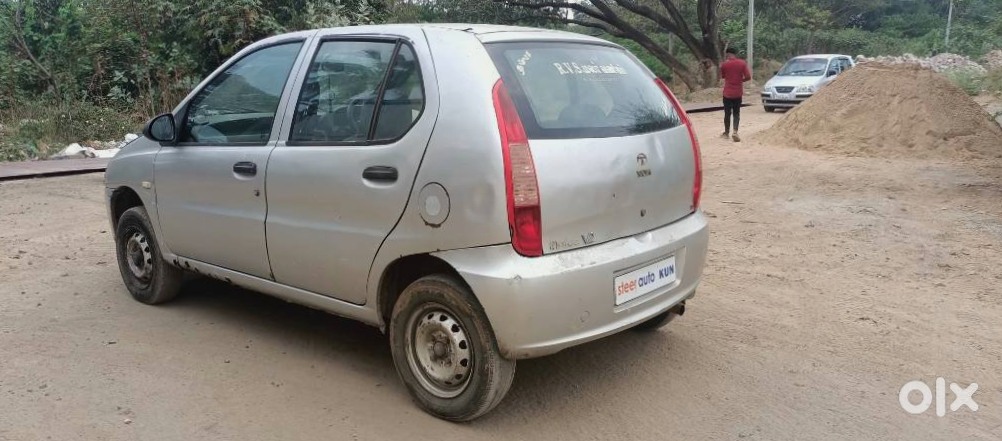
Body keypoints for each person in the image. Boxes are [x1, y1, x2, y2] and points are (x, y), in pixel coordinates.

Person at [719, 48, 752, 142]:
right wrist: (740, 80)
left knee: (727, 113)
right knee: (736, 113)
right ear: (735, 54)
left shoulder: (724, 65)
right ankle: (735, 132)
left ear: (727, 54)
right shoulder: (742, 63)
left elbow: (723, 76)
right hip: (738, 93)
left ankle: (726, 133)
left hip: (727, 93)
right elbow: (748, 77)